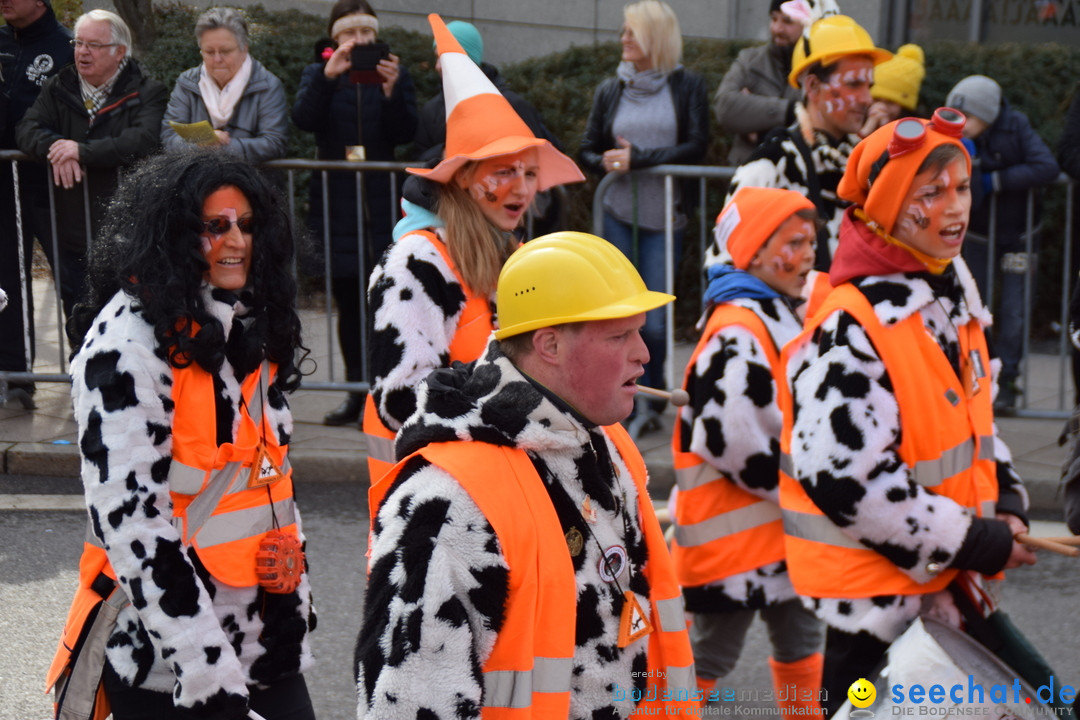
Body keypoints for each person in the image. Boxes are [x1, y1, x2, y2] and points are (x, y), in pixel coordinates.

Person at [357, 231, 697, 718]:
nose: (644, 353)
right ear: (550, 345)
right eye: (619, 335)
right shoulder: (447, 496)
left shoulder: (607, 442)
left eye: (639, 331)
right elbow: (408, 702)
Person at [778, 109, 1037, 712]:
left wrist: (1006, 497)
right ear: (892, 207)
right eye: (932, 193)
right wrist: (973, 540)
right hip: (874, 618)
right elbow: (844, 480)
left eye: (963, 187)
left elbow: (975, 417)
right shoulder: (851, 325)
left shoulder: (948, 290)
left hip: (941, 592)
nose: (956, 207)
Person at [46, 150, 316, 720]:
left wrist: (293, 593)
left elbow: (270, 479)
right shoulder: (122, 349)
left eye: (247, 225)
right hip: (168, 667)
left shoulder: (244, 322)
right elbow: (133, 528)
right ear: (174, 236)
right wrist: (206, 676)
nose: (236, 241)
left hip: (265, 646)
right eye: (215, 227)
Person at [362, 13, 583, 482]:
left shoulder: (512, 255)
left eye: (528, 173)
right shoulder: (415, 263)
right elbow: (401, 400)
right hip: (433, 506)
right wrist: (522, 407)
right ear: (463, 178)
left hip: (496, 491)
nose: (522, 189)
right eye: (503, 171)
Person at [671, 188, 824, 711]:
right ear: (756, 252)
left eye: (812, 241)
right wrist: (813, 487)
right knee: (707, 659)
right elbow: (731, 441)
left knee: (803, 644)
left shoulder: (772, 313)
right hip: (733, 548)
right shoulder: (737, 328)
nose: (809, 255)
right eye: (796, 242)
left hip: (780, 537)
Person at [579, 0, 709, 438]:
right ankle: (626, 403)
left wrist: (640, 160)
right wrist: (607, 162)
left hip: (664, 216)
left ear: (655, 36)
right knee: (618, 316)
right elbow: (587, 148)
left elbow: (696, 145)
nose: (624, 39)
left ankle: (649, 397)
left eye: (632, 32)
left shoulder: (687, 84)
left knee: (652, 321)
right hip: (615, 211)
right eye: (623, 32)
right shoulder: (609, 88)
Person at [291, 0, 418, 427]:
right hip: (338, 207)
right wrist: (328, 78)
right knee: (348, 303)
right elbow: (304, 120)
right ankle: (353, 394)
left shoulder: (394, 76)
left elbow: (406, 133)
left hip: (384, 206)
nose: (360, 42)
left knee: (388, 304)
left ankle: (389, 394)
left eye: (366, 34)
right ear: (335, 38)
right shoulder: (318, 74)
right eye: (350, 34)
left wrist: (391, 91)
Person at [707, 13, 890, 272]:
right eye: (854, 85)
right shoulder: (771, 164)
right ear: (813, 87)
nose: (866, 99)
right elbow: (723, 266)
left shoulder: (866, 166)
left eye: (868, 86)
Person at [16, 9, 167, 320]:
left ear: (119, 52)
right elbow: (27, 129)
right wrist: (57, 148)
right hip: (72, 231)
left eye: (93, 45)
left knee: (129, 319)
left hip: (128, 231)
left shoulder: (147, 91)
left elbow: (142, 139)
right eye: (78, 42)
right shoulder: (60, 85)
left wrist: (81, 151)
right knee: (79, 315)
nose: (82, 52)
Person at [947, 75, 1060, 409]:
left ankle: (1008, 379)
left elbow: (1046, 166)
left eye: (969, 119)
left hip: (1019, 236)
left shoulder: (1016, 126)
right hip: (979, 235)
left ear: (988, 115)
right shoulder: (956, 133)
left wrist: (995, 180)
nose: (962, 126)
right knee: (975, 307)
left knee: (1014, 310)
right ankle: (977, 377)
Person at [412, 19, 566, 237]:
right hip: (460, 220)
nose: (438, 66)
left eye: (444, 57)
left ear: (468, 58)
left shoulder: (513, 105)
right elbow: (420, 156)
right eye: (436, 58)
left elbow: (534, 158)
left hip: (516, 228)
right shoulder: (432, 109)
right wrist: (449, 153)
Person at [0, 0, 72, 407]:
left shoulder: (66, 48)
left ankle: (89, 369)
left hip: (54, 184)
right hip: (4, 186)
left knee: (73, 280)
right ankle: (16, 379)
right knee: (7, 282)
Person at [160, 7, 289, 164]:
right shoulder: (186, 82)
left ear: (244, 49)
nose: (217, 59)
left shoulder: (268, 86)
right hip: (195, 184)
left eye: (225, 51)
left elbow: (274, 143)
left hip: (250, 184)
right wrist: (201, 146)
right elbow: (169, 137)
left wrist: (220, 148)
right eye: (209, 52)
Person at [712, 0, 803, 166]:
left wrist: (758, 128)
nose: (777, 28)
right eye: (774, 19)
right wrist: (789, 111)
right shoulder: (749, 60)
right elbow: (724, 107)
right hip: (748, 174)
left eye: (787, 21)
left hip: (797, 176)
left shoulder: (817, 68)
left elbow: (821, 123)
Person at [859, 43, 925, 137]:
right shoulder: (852, 122)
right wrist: (867, 129)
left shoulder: (916, 132)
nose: (881, 107)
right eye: (877, 100)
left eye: (890, 103)